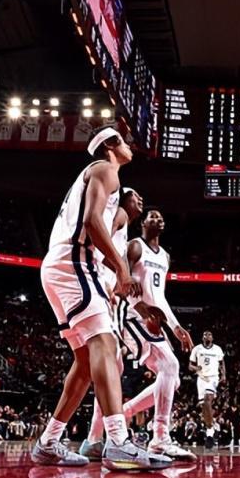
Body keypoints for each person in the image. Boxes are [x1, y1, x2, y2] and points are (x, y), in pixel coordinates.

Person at [33, 124, 171, 472]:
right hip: (74, 263)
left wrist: (119, 265)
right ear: (110, 144)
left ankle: (48, 442)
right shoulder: (105, 169)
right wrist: (122, 270)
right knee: (106, 345)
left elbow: (101, 226)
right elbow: (92, 221)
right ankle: (119, 442)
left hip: (62, 267)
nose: (130, 147)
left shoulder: (101, 181)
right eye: (125, 142)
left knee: (85, 362)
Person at [116, 209, 196, 460]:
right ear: (143, 223)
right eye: (152, 216)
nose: (158, 219)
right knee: (169, 366)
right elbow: (121, 280)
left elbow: (159, 298)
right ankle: (160, 438)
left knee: (172, 380)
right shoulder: (135, 246)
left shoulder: (165, 256)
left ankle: (126, 411)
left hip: (152, 318)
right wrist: (138, 305)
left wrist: (175, 327)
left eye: (161, 217)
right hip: (132, 315)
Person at [80, 187, 144, 460]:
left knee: (111, 367)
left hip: (108, 295)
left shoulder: (126, 229)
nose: (140, 200)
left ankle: (95, 439)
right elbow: (97, 239)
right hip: (98, 287)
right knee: (107, 366)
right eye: (135, 196)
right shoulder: (119, 214)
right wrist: (115, 273)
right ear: (124, 199)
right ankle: (102, 438)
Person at [189, 330, 225, 449]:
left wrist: (224, 375)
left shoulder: (217, 349)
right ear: (202, 338)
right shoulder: (197, 349)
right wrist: (196, 368)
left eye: (209, 334)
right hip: (201, 378)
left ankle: (210, 432)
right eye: (205, 334)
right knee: (204, 406)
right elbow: (190, 365)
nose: (207, 336)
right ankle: (210, 428)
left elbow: (222, 363)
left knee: (207, 399)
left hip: (213, 377)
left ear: (212, 338)